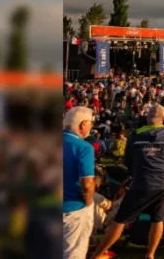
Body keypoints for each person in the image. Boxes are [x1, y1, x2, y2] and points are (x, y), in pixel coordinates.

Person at [92, 105, 164, 259]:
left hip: (142, 183)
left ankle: (98, 254)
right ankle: (150, 254)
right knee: (158, 219)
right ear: (163, 118)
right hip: (163, 184)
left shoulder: (135, 136)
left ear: (147, 118)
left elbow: (127, 161)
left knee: (120, 220)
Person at [63, 106, 96, 259]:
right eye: (91, 123)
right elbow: (87, 185)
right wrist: (89, 204)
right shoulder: (83, 147)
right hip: (73, 209)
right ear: (83, 124)